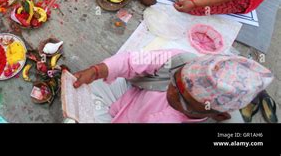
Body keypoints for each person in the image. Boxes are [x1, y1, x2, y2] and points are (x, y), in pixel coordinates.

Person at [73, 50, 273, 123]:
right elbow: (132, 62)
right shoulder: (180, 60)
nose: (171, 91)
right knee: (79, 91)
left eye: (182, 98)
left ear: (218, 115)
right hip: (129, 98)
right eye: (175, 82)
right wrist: (97, 70)